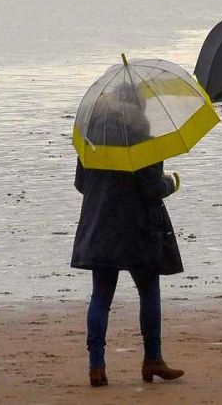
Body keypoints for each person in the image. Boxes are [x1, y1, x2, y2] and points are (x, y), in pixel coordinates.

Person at [71, 158, 186, 387]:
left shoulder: (93, 136)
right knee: (149, 291)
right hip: (139, 228)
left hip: (101, 224)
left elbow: (81, 184)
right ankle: (153, 358)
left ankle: (96, 365)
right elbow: (151, 188)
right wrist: (171, 182)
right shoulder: (143, 136)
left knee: (101, 297)